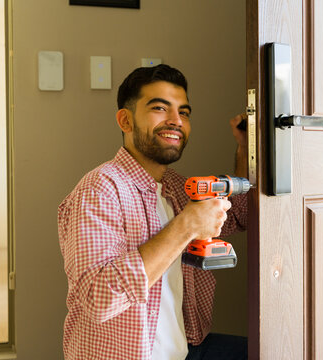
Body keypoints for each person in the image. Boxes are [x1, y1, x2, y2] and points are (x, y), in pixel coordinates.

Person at [58, 64, 248, 360]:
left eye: (184, 112)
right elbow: (99, 298)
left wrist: (245, 148)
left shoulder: (176, 187)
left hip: (187, 347)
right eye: (160, 108)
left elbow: (237, 216)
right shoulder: (99, 190)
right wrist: (186, 226)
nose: (176, 121)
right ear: (125, 120)